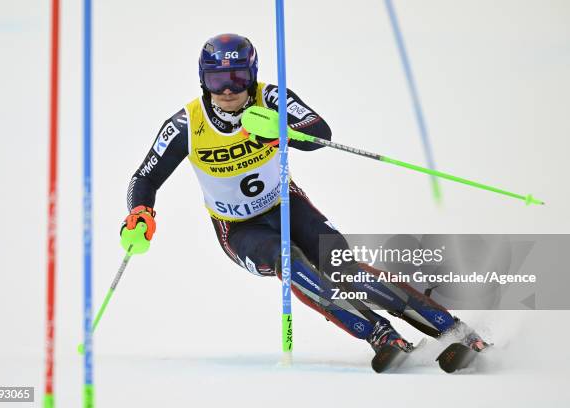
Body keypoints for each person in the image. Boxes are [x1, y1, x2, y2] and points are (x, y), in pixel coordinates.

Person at [120, 33, 486, 359]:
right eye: (218, 80)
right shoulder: (186, 124)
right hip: (239, 229)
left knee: (344, 268)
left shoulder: (271, 97)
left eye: (237, 78)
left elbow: (319, 132)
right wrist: (140, 212)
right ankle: (378, 334)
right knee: (291, 264)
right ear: (204, 81)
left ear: (251, 75)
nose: (228, 90)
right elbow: (145, 177)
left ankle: (452, 329)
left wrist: (280, 132)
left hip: (287, 205)